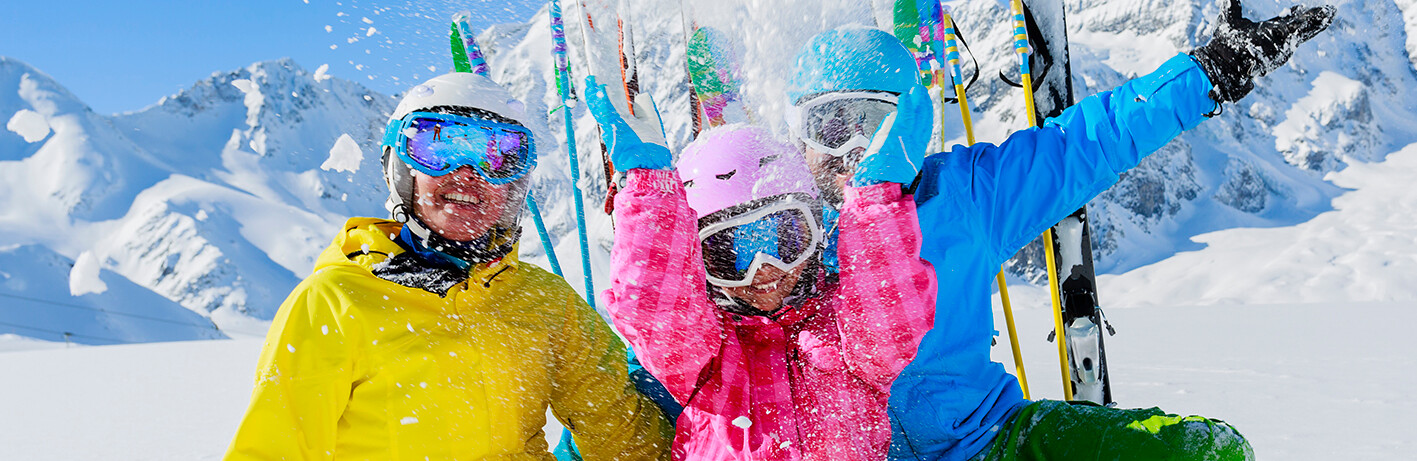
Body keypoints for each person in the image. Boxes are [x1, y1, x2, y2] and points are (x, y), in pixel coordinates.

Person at [783, 1, 1335, 460]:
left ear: (909, 121)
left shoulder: (964, 195)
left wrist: (1211, 70)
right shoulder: (777, 237)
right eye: (828, 128)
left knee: (1201, 450)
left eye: (872, 124)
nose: (851, 150)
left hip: (988, 442)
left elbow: (1091, 141)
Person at [224, 72, 672, 460]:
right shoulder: (337, 302)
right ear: (401, 169)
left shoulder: (546, 302)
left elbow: (625, 441)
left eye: (498, 156)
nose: (469, 172)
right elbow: (273, 448)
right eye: (436, 146)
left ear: (517, 185)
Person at [583, 71, 937, 460]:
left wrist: (875, 201)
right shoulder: (706, 354)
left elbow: (891, 314)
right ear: (696, 263)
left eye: (784, 240)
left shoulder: (849, 335)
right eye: (728, 255)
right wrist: (651, 189)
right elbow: (655, 312)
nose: (763, 269)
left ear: (816, 232)